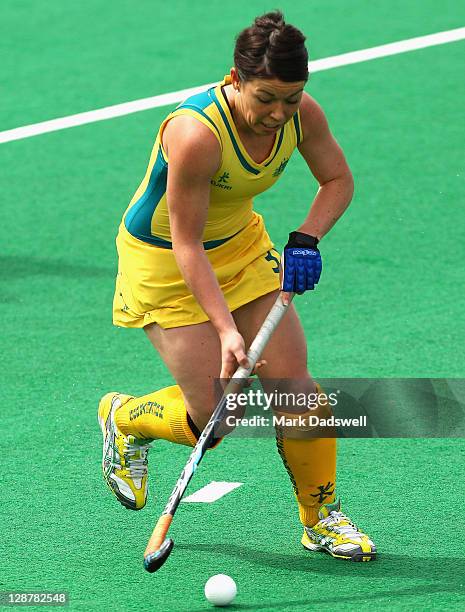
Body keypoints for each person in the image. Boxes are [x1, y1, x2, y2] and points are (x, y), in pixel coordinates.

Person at [98, 10, 376, 562]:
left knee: (300, 394)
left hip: (242, 248)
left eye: (291, 98)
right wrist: (226, 331)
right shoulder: (196, 133)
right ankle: (124, 418)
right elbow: (186, 245)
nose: (278, 113)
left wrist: (306, 239)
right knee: (221, 417)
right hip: (166, 263)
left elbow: (337, 179)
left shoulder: (302, 115)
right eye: (266, 97)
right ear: (235, 79)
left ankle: (321, 520)